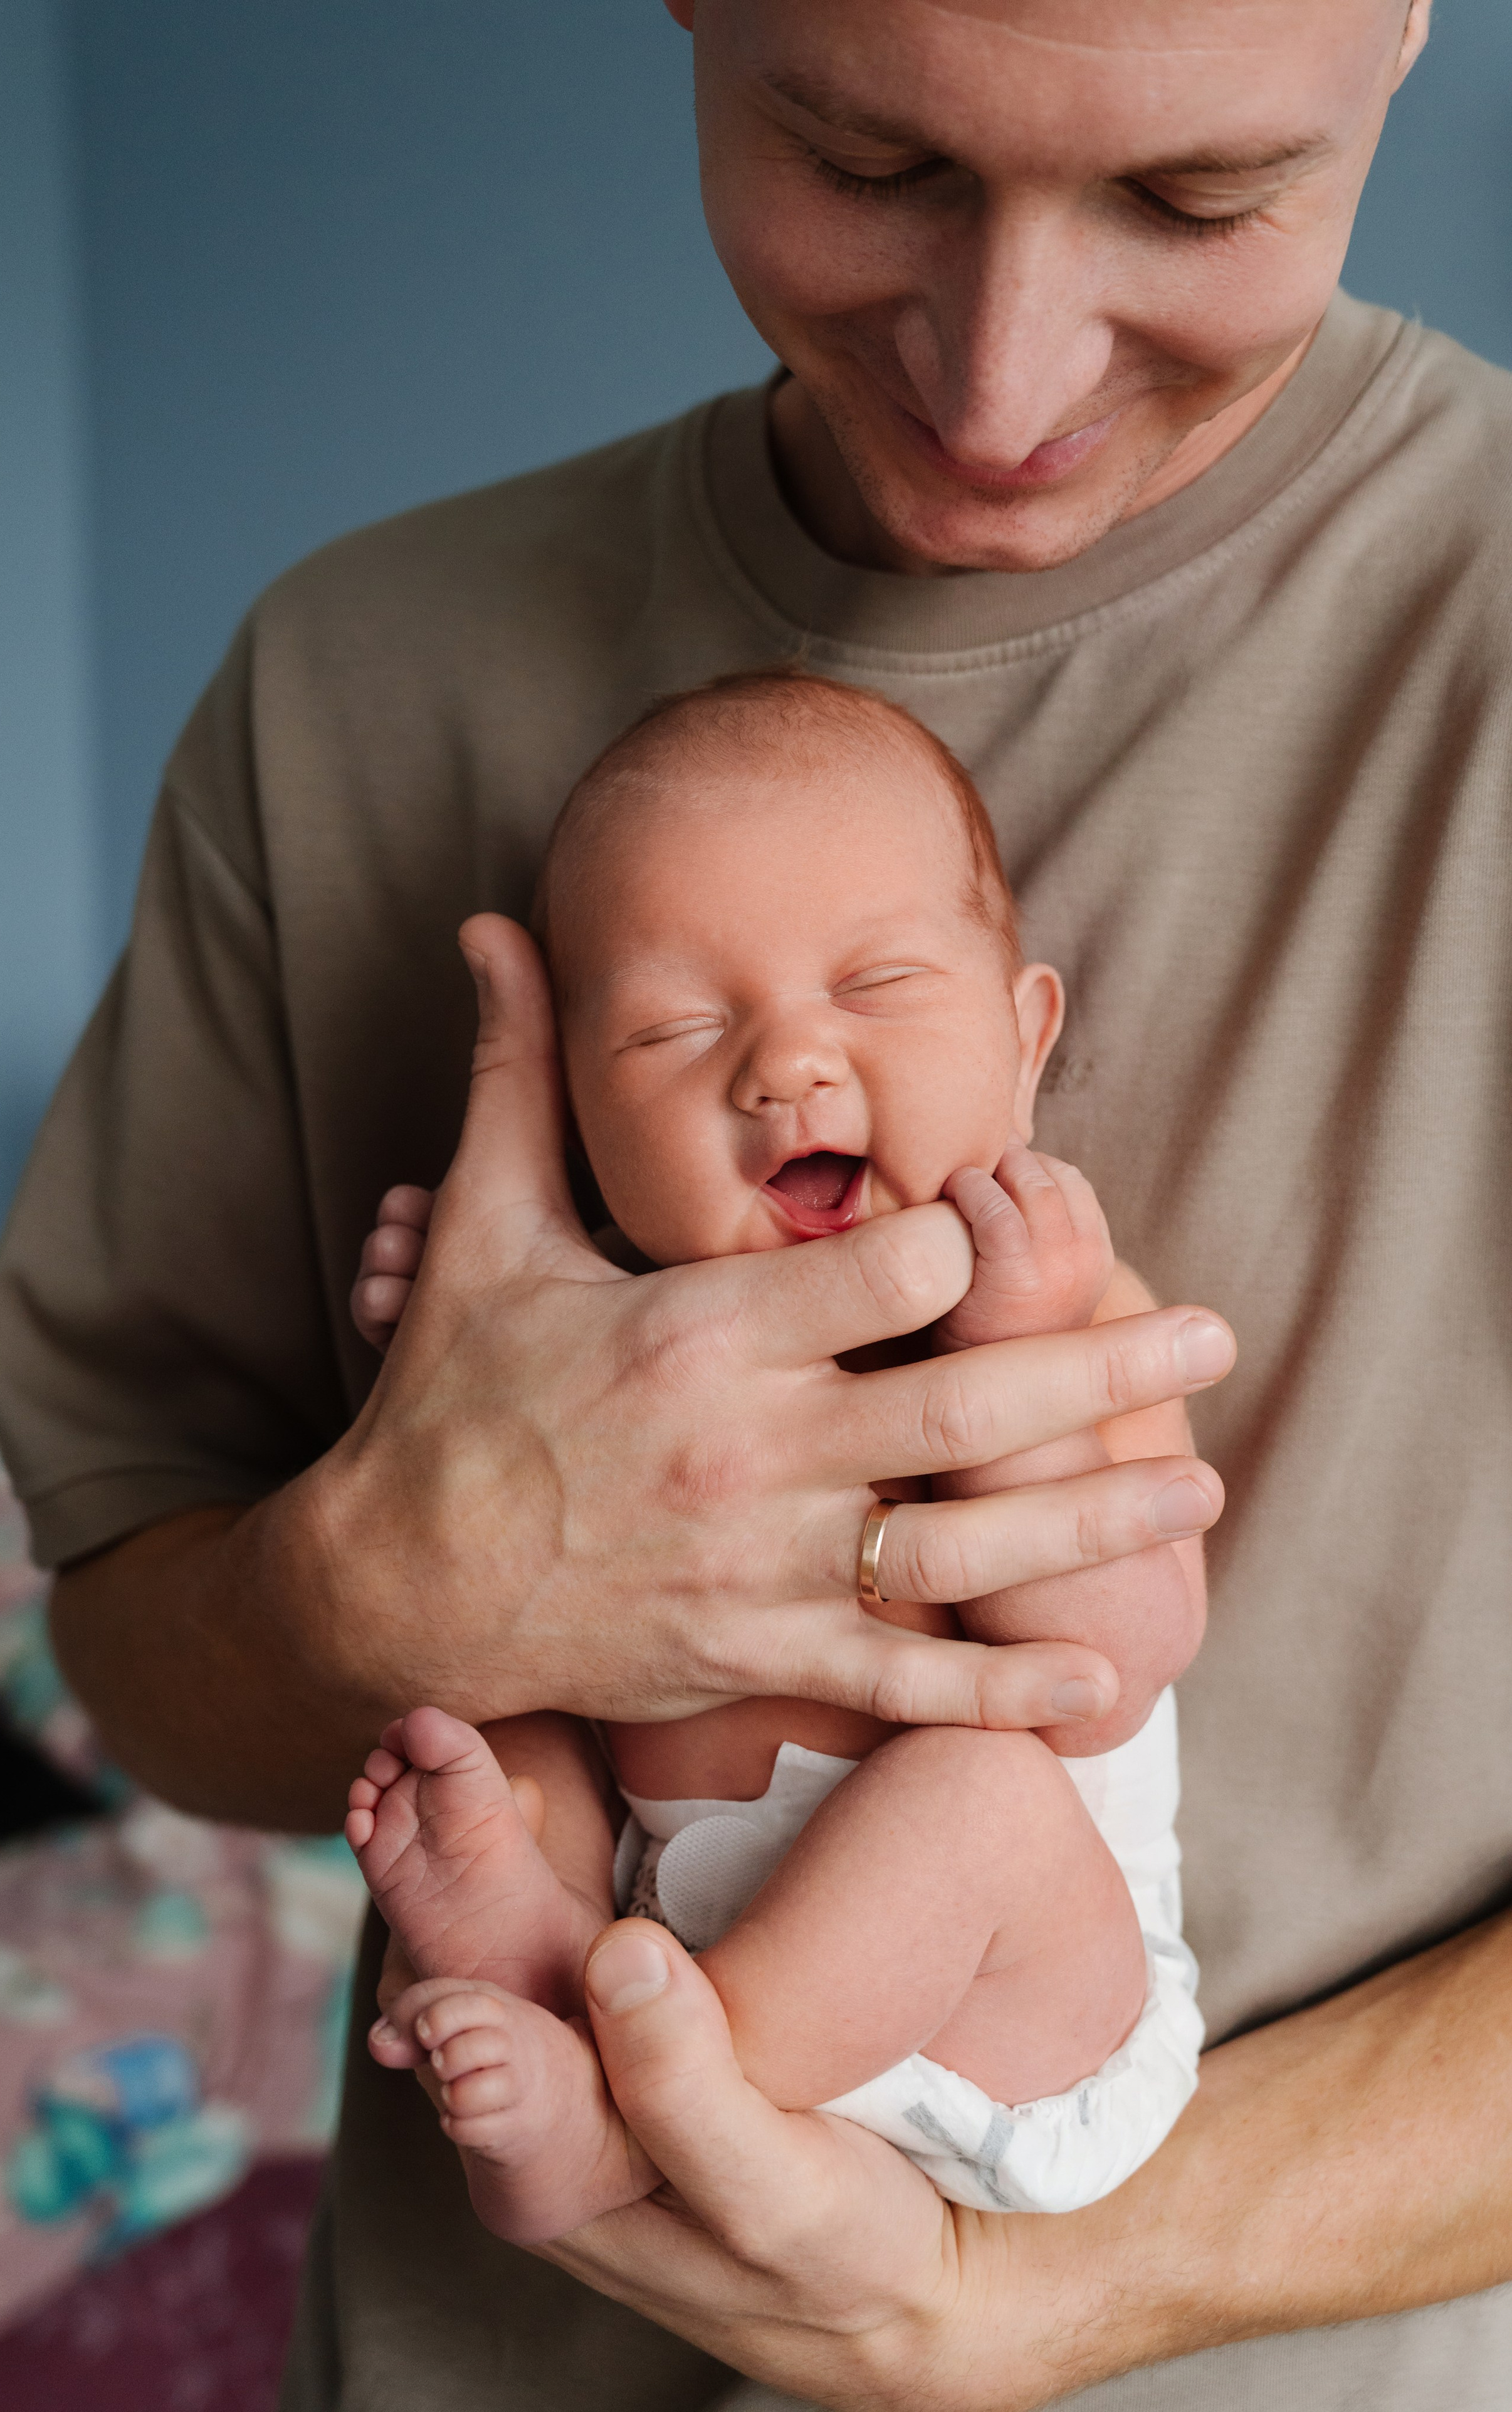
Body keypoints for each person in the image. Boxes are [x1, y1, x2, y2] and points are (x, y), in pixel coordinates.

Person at [0, 0, 1512, 2404]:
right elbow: (143, 1635)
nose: (1005, 380)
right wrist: (389, 1561)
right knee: (508, 1782)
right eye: (865, 159)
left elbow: (1109, 1621)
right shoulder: (349, 682)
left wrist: (1030, 2290)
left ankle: (691, 2051)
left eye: (1198, 201)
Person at [341, 669, 1208, 2243]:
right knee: (486, 1666)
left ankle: (639, 2131)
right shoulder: (602, 1338)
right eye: (676, 1029)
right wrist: (445, 1361)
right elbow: (451, 1517)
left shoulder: (1073, 1310)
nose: (784, 1064)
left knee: (973, 1795)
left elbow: (1115, 1656)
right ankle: (528, 1943)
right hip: (655, 1929)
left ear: (1024, 1038)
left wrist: (1010, 1358)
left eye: (872, 984)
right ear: (577, 1117)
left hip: (1014, 2005)